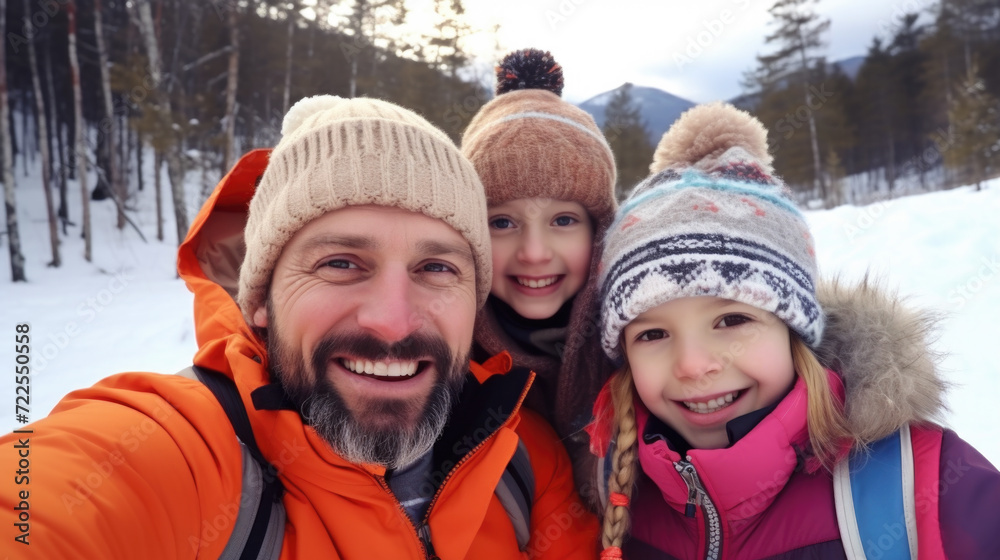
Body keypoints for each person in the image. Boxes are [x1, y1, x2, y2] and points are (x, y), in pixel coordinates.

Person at [0, 96, 598, 559]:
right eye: (341, 263)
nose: (391, 320)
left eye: (436, 267)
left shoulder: (519, 458)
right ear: (259, 299)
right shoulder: (181, 448)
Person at [586, 102, 1000, 558]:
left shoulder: (926, 487)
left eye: (732, 320)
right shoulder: (614, 495)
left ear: (793, 330)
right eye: (652, 334)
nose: (694, 365)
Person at [461, 49, 618, 497]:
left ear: (599, 231)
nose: (533, 254)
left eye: (563, 221)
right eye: (502, 222)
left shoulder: (645, 343)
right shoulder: (440, 354)